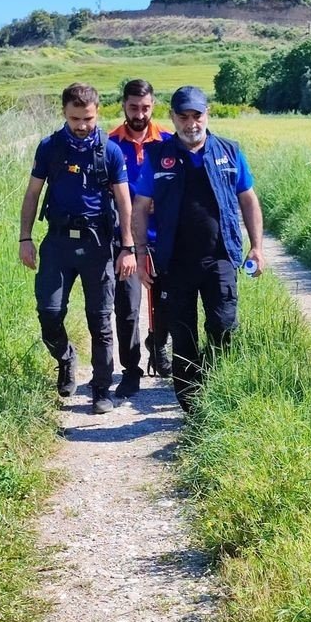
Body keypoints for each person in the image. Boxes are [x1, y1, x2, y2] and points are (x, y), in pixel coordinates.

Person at [132, 85, 264, 412]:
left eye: (197, 115)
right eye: (183, 116)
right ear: (172, 117)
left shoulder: (230, 152)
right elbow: (139, 207)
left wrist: (257, 247)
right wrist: (139, 252)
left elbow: (248, 199)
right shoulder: (156, 156)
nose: (191, 123)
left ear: (208, 114)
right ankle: (193, 407)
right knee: (183, 335)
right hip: (174, 262)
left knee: (223, 326)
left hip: (220, 257)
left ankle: (214, 383)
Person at [19, 83, 136, 414]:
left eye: (87, 118)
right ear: (64, 113)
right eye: (75, 119)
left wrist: (127, 246)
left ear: (97, 111)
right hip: (57, 243)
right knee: (49, 312)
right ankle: (66, 358)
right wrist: (25, 238)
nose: (82, 126)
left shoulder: (110, 152)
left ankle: (101, 389)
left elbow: (124, 201)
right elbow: (32, 195)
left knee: (100, 320)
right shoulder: (50, 148)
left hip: (98, 245)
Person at [108, 79, 173, 398]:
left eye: (145, 108)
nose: (139, 114)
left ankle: (158, 342)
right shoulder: (109, 144)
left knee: (167, 302)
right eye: (133, 107)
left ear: (154, 106)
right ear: (123, 105)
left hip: (164, 235)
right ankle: (130, 369)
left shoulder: (169, 142)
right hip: (125, 240)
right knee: (128, 307)